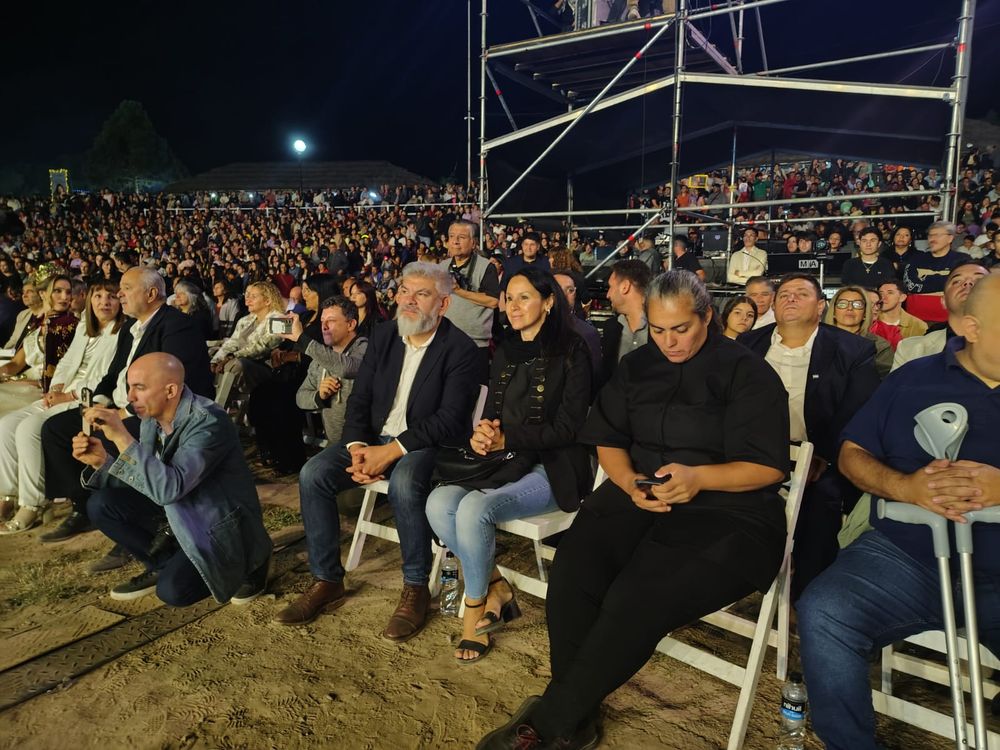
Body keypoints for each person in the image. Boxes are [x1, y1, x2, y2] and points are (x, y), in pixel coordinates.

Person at [477, 270, 790, 749]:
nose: (669, 342)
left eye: (681, 328)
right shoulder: (640, 364)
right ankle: (576, 717)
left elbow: (767, 467)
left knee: (635, 595)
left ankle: (551, 722)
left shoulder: (746, 372)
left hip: (728, 511)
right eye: (659, 329)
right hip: (639, 493)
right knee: (574, 573)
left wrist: (698, 477)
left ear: (707, 316)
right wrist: (626, 482)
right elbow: (607, 437)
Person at [797, 274, 1000, 750]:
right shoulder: (915, 377)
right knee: (826, 611)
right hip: (906, 555)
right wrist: (905, 486)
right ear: (971, 327)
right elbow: (852, 453)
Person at [271, 262, 479, 642]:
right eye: (404, 291)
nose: (409, 301)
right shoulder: (384, 336)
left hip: (426, 444)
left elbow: (449, 420)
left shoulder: (461, 349)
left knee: (403, 480)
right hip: (375, 439)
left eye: (422, 294)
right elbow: (361, 399)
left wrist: (390, 453)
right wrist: (355, 448)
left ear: (444, 304)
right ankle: (327, 580)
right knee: (313, 474)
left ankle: (415, 588)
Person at [427, 267, 592, 662]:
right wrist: (484, 433)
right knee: (437, 503)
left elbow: (570, 428)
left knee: (474, 508)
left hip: (553, 467)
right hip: (505, 461)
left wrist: (508, 438)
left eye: (524, 297)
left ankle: (474, 613)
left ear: (548, 301)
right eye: (509, 298)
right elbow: (497, 413)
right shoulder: (505, 350)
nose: (513, 306)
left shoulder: (573, 349)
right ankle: (497, 583)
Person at [74, 353, 273, 606]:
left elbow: (169, 488)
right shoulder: (151, 420)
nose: (130, 397)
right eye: (129, 387)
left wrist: (121, 438)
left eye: (139, 388)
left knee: (174, 592)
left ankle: (252, 560)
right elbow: (149, 482)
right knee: (101, 504)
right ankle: (165, 562)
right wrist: (102, 462)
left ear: (170, 390)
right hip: (179, 513)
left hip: (214, 524)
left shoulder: (208, 421)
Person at [39, 266, 213, 544]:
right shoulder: (130, 327)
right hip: (119, 408)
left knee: (102, 438)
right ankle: (82, 506)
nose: (119, 294)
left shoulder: (177, 325)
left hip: (155, 414)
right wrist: (96, 405)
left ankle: (135, 518)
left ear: (152, 293)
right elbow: (112, 375)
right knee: (55, 430)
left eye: (127, 288)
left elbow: (172, 385)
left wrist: (125, 412)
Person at [739, 274, 880, 599]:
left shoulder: (853, 350)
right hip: (751, 452)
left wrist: (825, 455)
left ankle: (805, 596)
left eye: (801, 294)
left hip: (818, 454)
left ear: (820, 306)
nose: (790, 298)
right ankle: (738, 577)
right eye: (784, 294)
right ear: (773, 305)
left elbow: (857, 411)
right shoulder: (749, 344)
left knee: (821, 500)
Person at [0, 281, 125, 535]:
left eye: (111, 297)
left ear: (120, 301)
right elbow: (67, 363)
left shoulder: (122, 331)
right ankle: (9, 494)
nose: (104, 302)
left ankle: (32, 503)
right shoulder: (83, 328)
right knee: (6, 424)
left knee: (28, 429)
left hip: (85, 398)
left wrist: (69, 394)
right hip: (61, 394)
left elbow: (107, 376)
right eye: (98, 296)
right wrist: (56, 388)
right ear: (90, 300)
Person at [294, 296, 369, 446]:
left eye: (331, 321)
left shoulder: (365, 348)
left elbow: (347, 368)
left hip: (365, 444)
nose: (324, 327)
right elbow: (300, 397)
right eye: (322, 321)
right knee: (311, 470)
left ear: (351, 324)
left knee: (312, 470)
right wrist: (320, 396)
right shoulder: (320, 358)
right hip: (334, 446)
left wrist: (302, 339)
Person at [893, 261, 989, 370]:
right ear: (943, 301)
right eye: (957, 281)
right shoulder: (909, 350)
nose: (968, 283)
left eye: (979, 280)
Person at [210, 281, 285, 408]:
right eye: (247, 295)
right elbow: (232, 343)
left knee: (236, 365)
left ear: (267, 301)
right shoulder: (244, 320)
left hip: (268, 368)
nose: (248, 299)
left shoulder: (281, 319)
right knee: (210, 359)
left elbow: (262, 347)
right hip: (238, 361)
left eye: (253, 296)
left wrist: (232, 356)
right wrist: (216, 359)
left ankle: (218, 408)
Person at [443, 219, 500, 384]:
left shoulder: (486, 267)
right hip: (445, 341)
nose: (455, 241)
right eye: (452, 236)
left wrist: (460, 291)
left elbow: (492, 301)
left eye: (461, 237)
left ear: (473, 242)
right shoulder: (442, 266)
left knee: (473, 393)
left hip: (475, 343)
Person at [596, 260, 652, 390]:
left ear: (625, 286)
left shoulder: (661, 327)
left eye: (610, 287)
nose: (608, 294)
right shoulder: (611, 327)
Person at [822, 286, 894, 378]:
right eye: (842, 304)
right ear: (834, 312)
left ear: (865, 314)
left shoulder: (879, 346)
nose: (849, 308)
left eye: (857, 304)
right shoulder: (817, 340)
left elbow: (887, 381)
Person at [901, 221, 963, 323]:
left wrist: (925, 286)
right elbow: (909, 286)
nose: (932, 239)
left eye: (937, 235)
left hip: (951, 321)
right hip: (916, 321)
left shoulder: (962, 260)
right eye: (930, 235)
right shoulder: (916, 258)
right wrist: (944, 288)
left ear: (950, 238)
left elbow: (962, 288)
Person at [553, 271, 601, 375]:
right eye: (558, 290)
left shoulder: (588, 333)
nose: (564, 295)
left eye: (570, 290)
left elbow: (595, 374)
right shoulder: (533, 328)